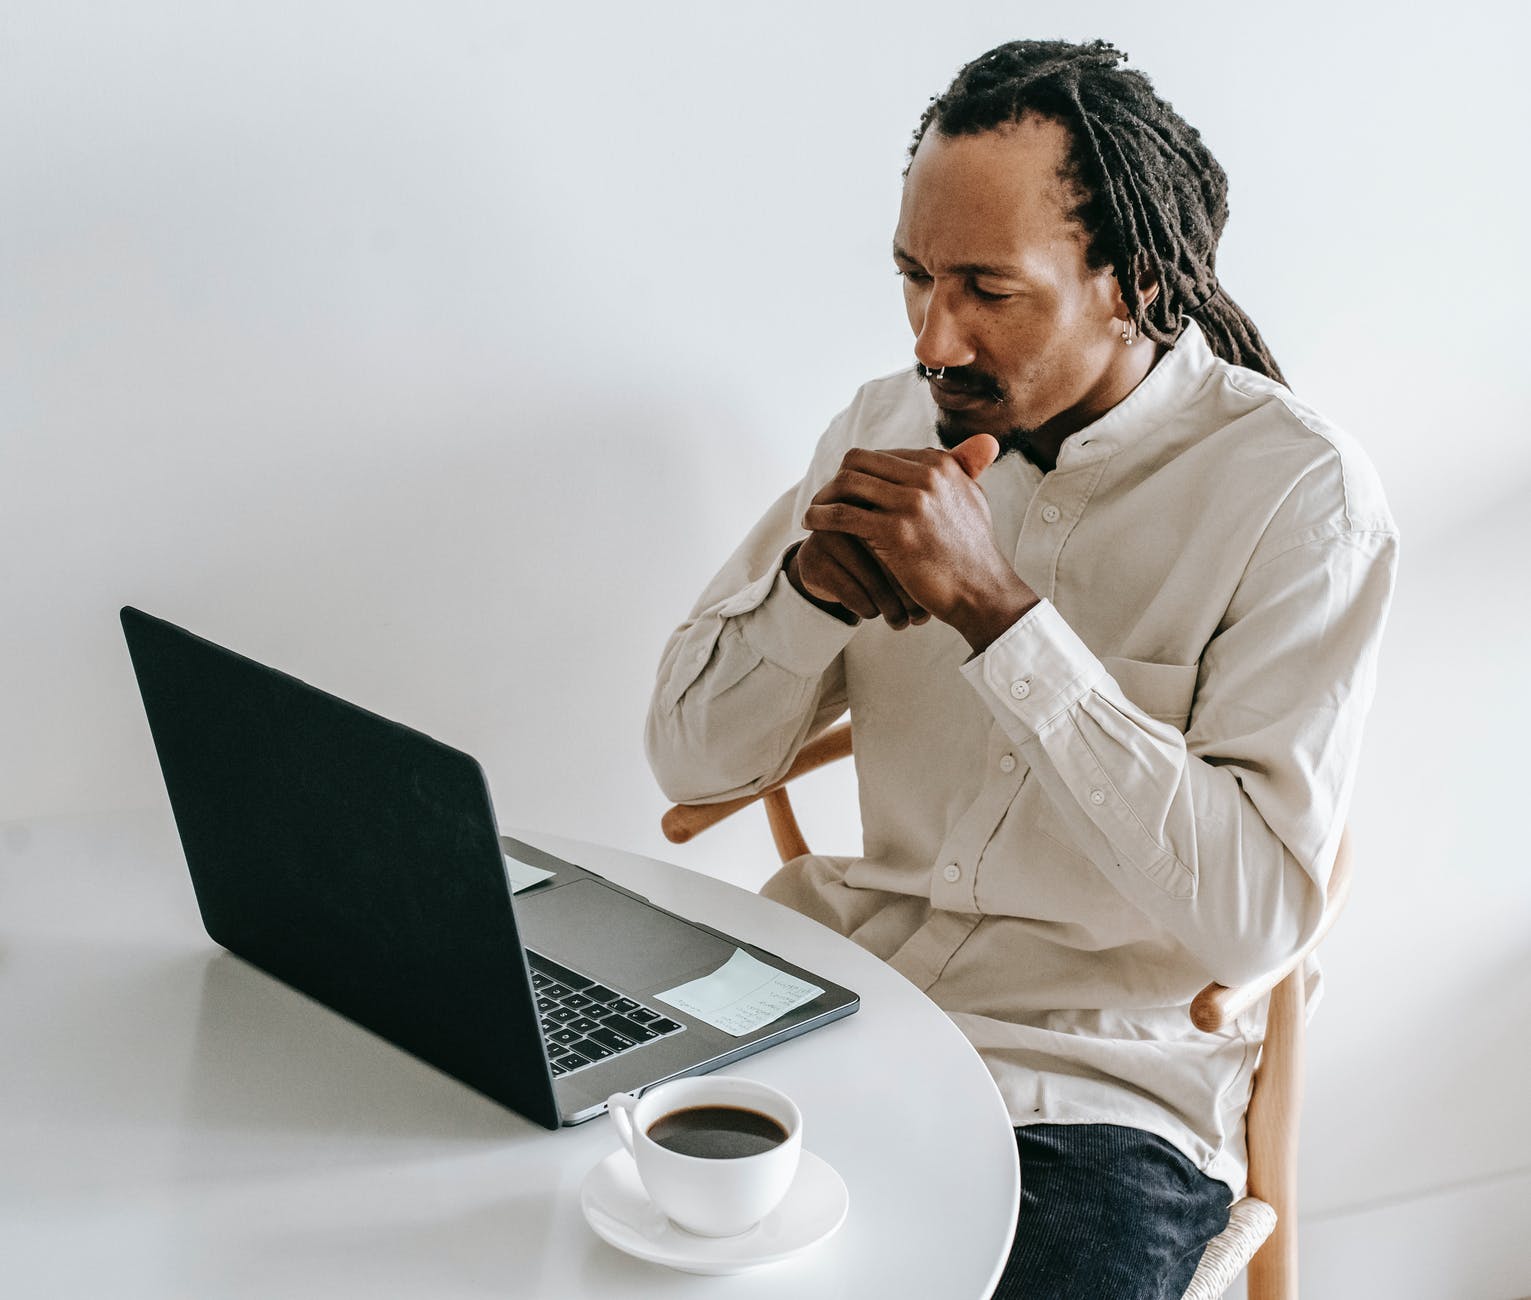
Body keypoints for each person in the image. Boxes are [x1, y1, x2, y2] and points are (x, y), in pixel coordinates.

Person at [645, 38, 1397, 1299]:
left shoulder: (1297, 498)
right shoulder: (882, 426)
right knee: (545, 1195)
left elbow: (1261, 915)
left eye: (986, 288)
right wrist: (811, 592)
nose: (934, 335)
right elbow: (688, 760)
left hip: (1095, 1093)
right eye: (912, 276)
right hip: (837, 998)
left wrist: (1001, 616)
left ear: (1135, 282)